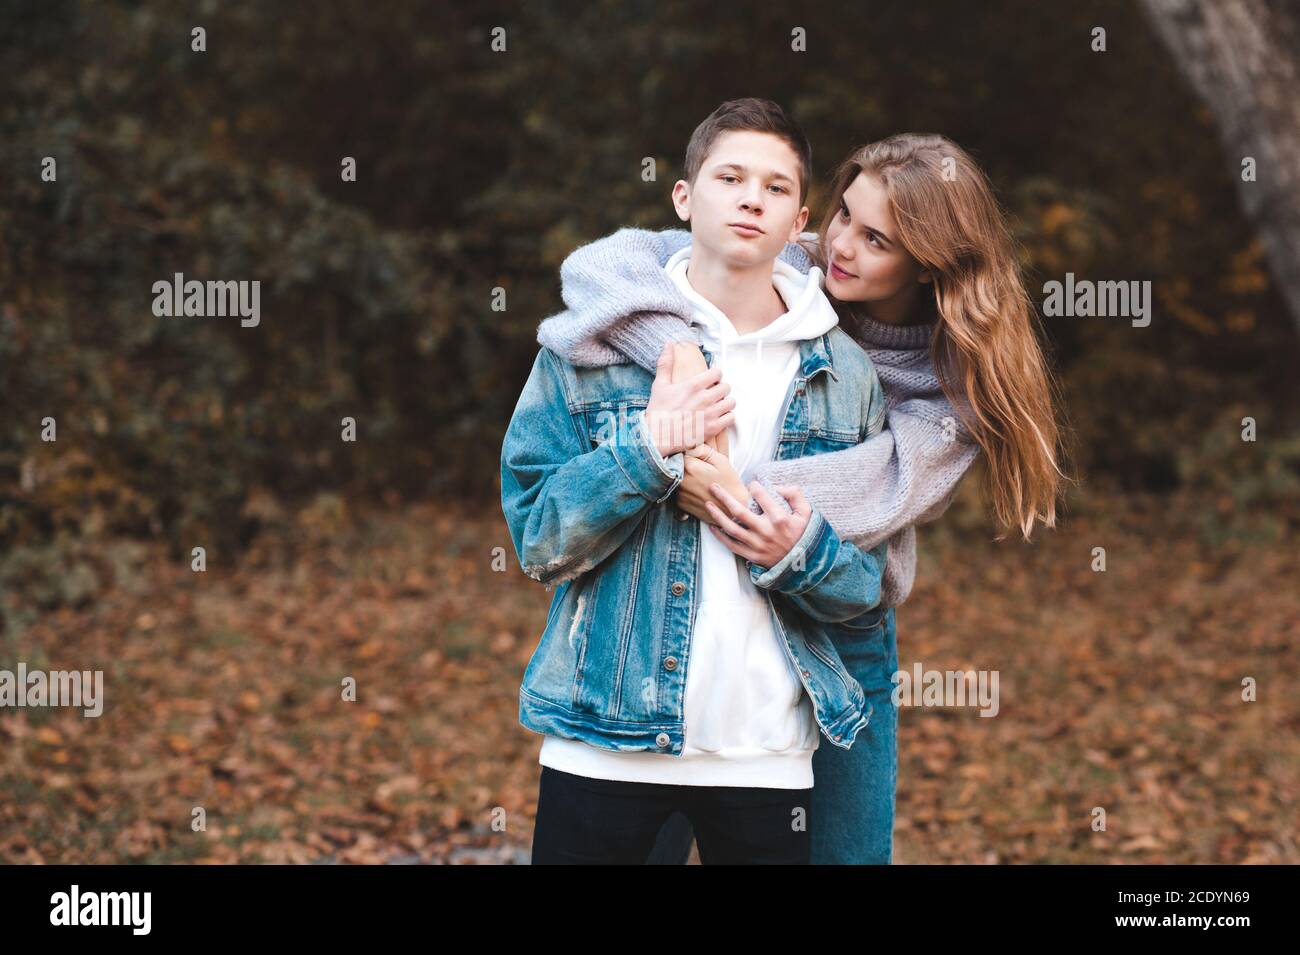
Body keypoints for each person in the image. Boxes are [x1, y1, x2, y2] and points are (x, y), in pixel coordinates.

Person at [537, 131, 1071, 863]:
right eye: (845, 213)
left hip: (836, 627)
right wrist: (680, 349)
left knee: (841, 853)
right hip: (676, 607)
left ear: (929, 264)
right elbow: (608, 268)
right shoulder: (792, 259)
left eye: (876, 239)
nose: (841, 246)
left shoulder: (949, 391)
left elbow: (871, 498)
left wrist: (719, 482)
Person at [501, 98, 894, 863]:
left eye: (776, 187)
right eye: (730, 177)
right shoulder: (594, 347)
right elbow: (539, 539)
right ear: (684, 198)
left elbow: (862, 591)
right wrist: (647, 450)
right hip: (603, 745)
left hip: (767, 760)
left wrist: (796, 550)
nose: (752, 199)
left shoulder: (846, 374)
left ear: (799, 223)